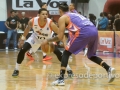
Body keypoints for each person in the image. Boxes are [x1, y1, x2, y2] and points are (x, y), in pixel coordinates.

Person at [42, 3, 116, 86]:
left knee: (66, 53)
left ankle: (61, 79)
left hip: (83, 31)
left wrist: (48, 40)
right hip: (94, 30)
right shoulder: (74, 14)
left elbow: (60, 36)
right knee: (91, 55)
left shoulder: (62, 18)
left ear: (60, 11)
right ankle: (108, 68)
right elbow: (73, 31)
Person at [12, 8, 73, 77]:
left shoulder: (50, 23)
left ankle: (68, 69)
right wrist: (22, 39)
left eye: (46, 14)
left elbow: (60, 34)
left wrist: (65, 43)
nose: (45, 16)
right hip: (35, 38)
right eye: (43, 14)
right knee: (23, 49)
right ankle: (16, 69)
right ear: (38, 15)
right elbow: (27, 29)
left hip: (48, 39)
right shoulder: (32, 21)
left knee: (58, 52)